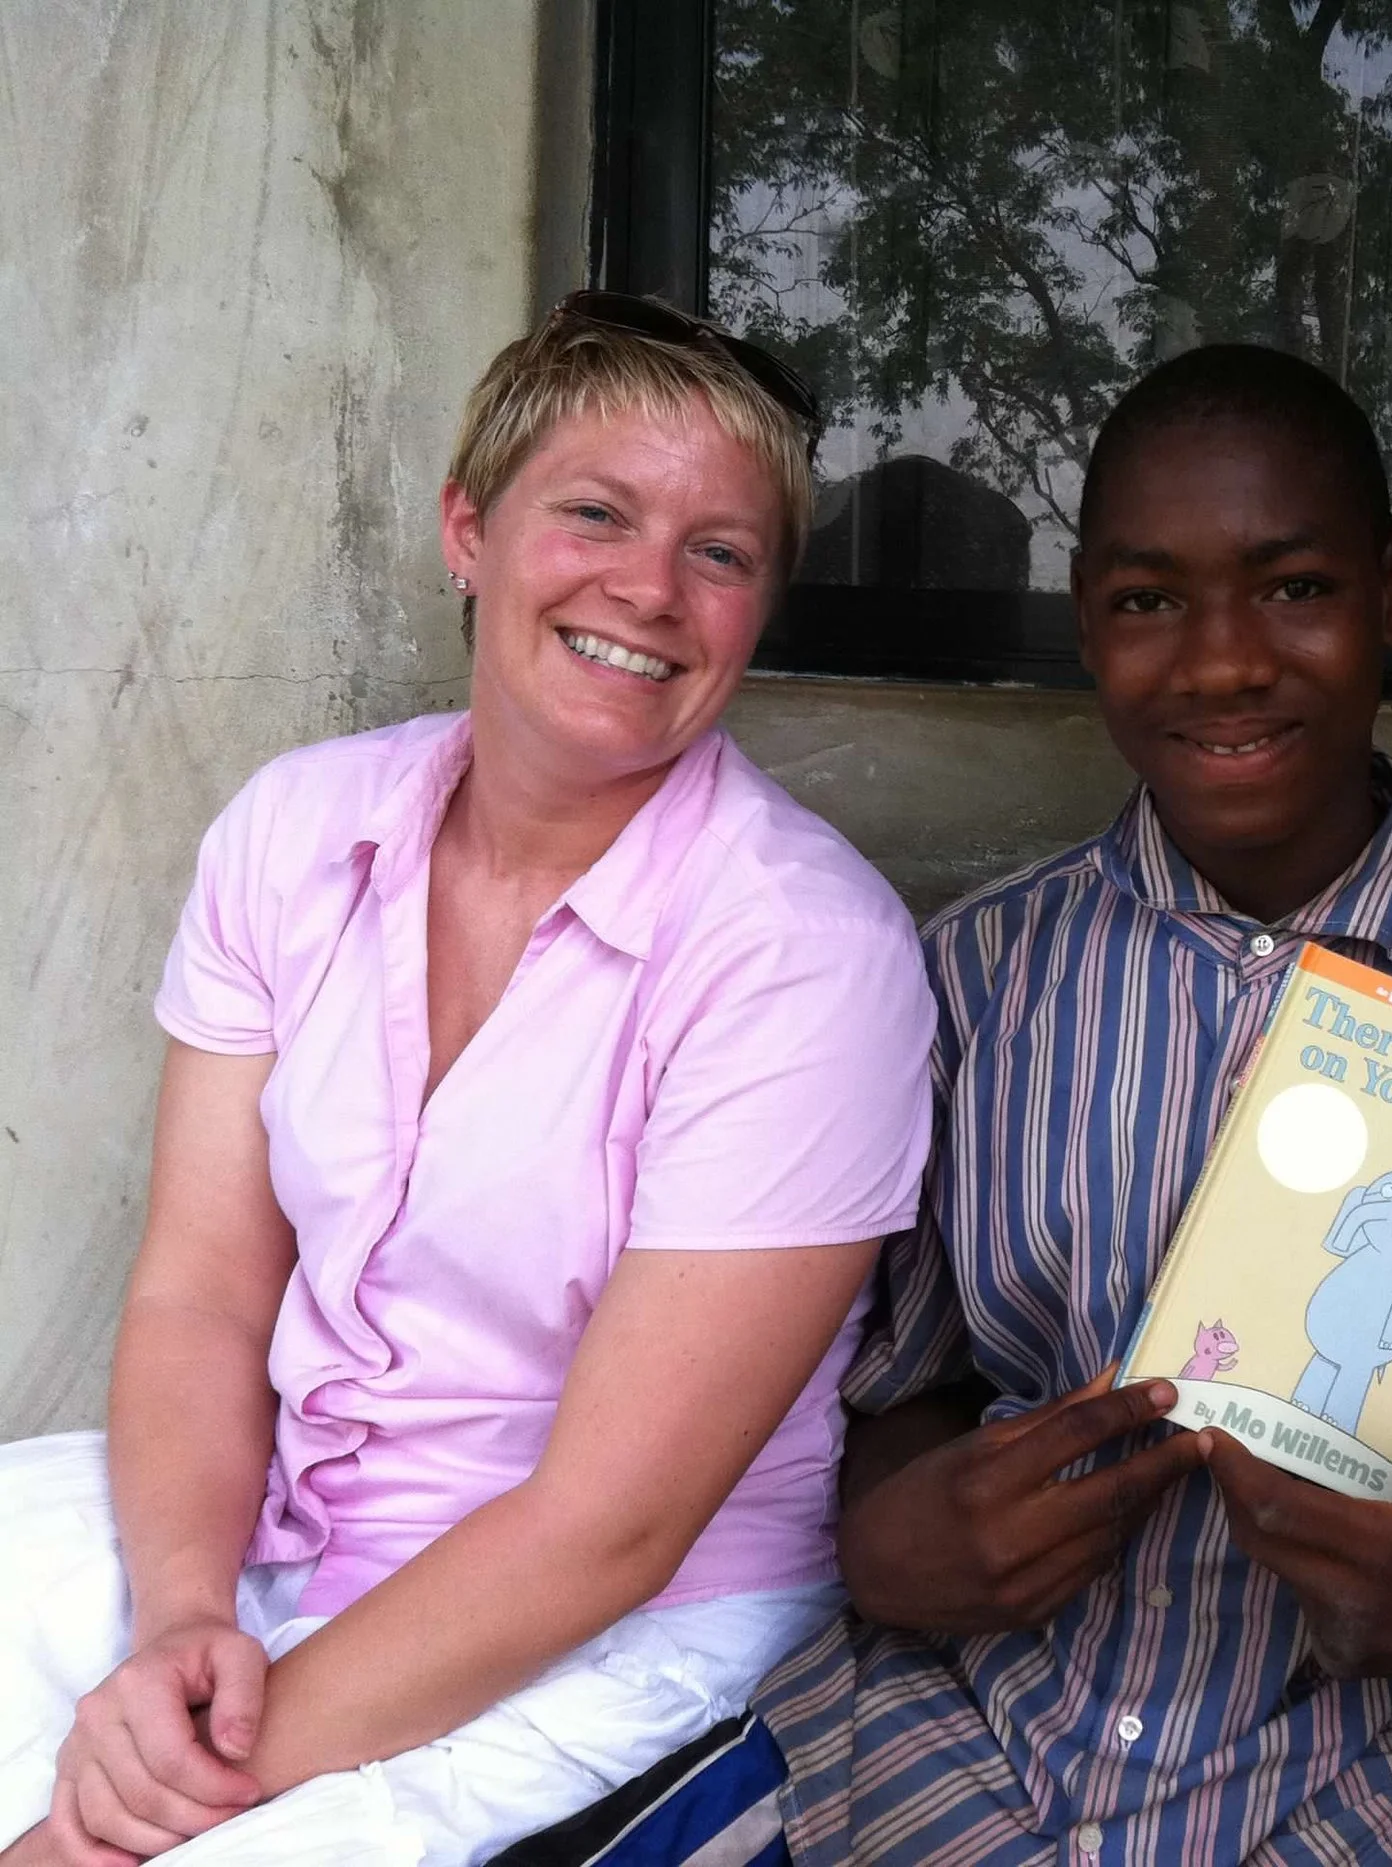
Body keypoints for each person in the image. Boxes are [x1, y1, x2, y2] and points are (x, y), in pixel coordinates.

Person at [497, 343, 1392, 1867]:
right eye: (1146, 601)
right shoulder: (969, 981)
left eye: (1296, 587)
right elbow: (894, 1373)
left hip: (1362, 1789)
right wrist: (897, 1528)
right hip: (944, 1750)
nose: (1224, 660)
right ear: (1086, 627)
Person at [0, 294, 936, 1867]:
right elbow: (204, 1294)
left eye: (721, 552)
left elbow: (609, 1529)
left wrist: (165, 1794)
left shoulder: (804, 953)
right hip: (276, 1528)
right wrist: (177, 1622)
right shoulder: (295, 832)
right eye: (595, 511)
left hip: (616, 1630)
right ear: (467, 528)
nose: (648, 587)